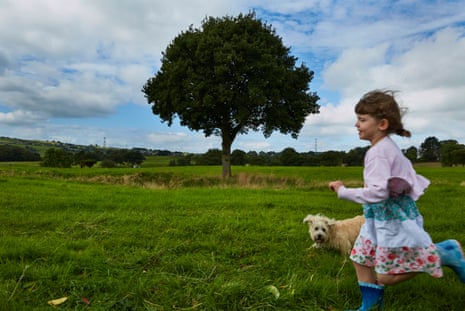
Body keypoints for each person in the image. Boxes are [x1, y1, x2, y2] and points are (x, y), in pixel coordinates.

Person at [328, 89, 465, 311]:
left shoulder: (379, 152)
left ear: (382, 124)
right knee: (361, 257)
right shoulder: (381, 148)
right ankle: (371, 306)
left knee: (387, 276)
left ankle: (445, 253)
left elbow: (378, 193)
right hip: (376, 215)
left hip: (392, 219)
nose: (356, 124)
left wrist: (344, 191)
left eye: (362, 120)